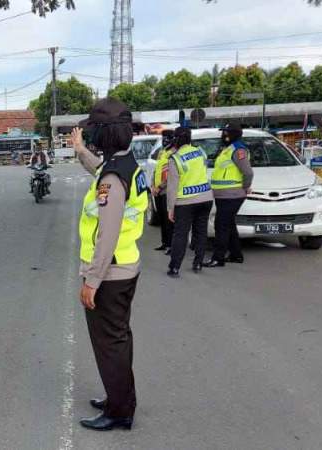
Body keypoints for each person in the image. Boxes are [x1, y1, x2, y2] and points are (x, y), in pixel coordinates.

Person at [72, 98, 149, 431]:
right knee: (119, 339)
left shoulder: (113, 178)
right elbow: (100, 171)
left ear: (105, 135)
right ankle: (120, 398)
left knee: (109, 345)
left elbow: (107, 234)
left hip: (110, 273)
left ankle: (119, 412)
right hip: (126, 265)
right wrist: (78, 150)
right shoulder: (126, 164)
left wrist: (92, 280)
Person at [166, 127, 213, 278]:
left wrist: (170, 208)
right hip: (205, 198)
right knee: (201, 232)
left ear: (176, 139)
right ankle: (198, 263)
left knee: (180, 234)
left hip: (185, 202)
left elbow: (172, 186)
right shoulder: (201, 152)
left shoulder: (176, 158)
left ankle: (174, 268)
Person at [204, 123, 253, 267]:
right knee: (229, 225)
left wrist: (245, 187)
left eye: (225, 133)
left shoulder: (238, 150)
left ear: (232, 134)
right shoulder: (228, 149)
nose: (223, 135)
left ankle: (218, 258)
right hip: (223, 195)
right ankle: (236, 255)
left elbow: (248, 172)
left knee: (221, 225)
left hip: (232, 195)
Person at [151, 130, 176, 254]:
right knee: (161, 218)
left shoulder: (173, 153)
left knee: (168, 220)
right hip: (158, 190)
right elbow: (157, 170)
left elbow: (170, 175)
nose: (164, 140)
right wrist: (152, 185)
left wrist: (159, 187)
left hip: (166, 190)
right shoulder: (162, 152)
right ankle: (164, 242)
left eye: (167, 138)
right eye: (163, 138)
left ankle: (170, 245)